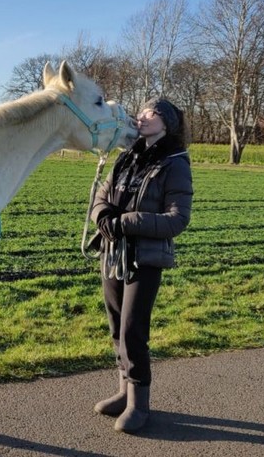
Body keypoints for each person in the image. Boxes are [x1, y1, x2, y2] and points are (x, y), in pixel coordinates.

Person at [88, 98, 193, 432]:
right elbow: (100, 197)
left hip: (144, 258)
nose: (142, 116)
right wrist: (103, 215)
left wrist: (126, 222)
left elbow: (177, 219)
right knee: (116, 326)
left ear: (168, 124)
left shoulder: (175, 163)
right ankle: (123, 392)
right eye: (143, 111)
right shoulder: (126, 156)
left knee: (133, 330)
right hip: (112, 253)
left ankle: (138, 405)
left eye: (152, 113)